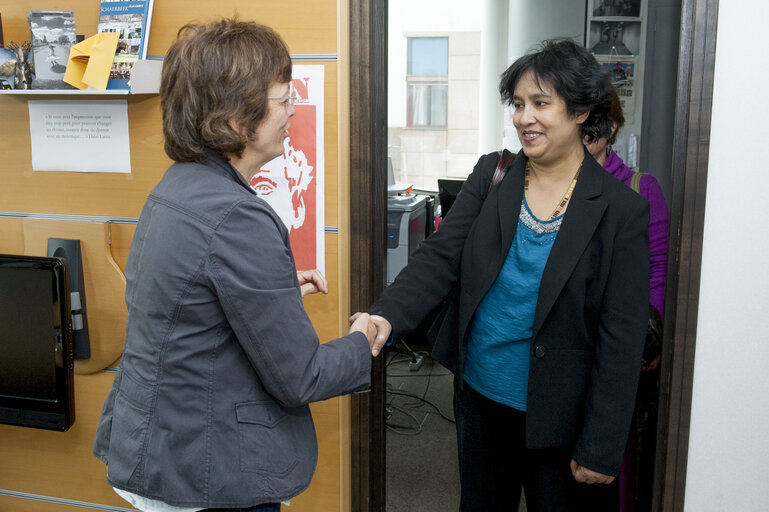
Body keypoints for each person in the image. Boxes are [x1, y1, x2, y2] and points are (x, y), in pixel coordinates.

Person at [93, 19, 377, 512]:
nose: (293, 111)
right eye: (284, 98)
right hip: (207, 469)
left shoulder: (176, 187)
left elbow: (185, 300)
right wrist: (364, 342)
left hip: (160, 445)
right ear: (235, 120)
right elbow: (301, 376)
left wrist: (272, 288)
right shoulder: (238, 216)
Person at [358, 39, 650, 511]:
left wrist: (601, 444)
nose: (523, 117)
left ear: (579, 112)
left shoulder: (621, 212)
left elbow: (622, 337)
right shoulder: (491, 177)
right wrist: (385, 315)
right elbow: (440, 256)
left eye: (540, 103)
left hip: (563, 414)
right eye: (517, 104)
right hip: (480, 396)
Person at [585, 86, 670, 512]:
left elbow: (657, 270)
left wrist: (645, 338)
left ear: (613, 126)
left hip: (619, 348)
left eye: (597, 120)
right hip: (567, 349)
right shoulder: (551, 186)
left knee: (614, 468)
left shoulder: (641, 187)